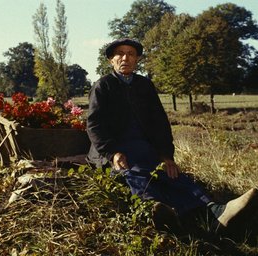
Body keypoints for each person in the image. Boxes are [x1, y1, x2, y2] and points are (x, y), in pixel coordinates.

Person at [86, 38, 258, 234]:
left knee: (172, 175)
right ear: (111, 60)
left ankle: (216, 212)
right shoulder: (103, 85)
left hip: (145, 148)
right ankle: (159, 213)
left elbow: (160, 123)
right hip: (115, 151)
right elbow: (94, 124)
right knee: (137, 174)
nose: (125, 57)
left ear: (137, 60)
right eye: (120, 53)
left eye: (131, 54)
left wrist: (166, 155)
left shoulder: (145, 85)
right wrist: (112, 153)